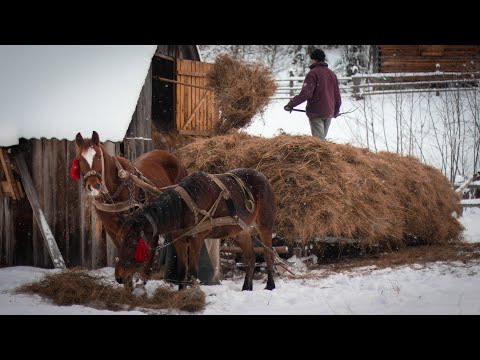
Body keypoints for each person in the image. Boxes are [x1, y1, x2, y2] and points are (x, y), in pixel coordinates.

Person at [284, 48, 342, 140]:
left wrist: (291, 104)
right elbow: (337, 96)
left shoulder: (313, 74)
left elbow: (306, 94)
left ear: (314, 59)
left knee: (319, 144)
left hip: (317, 112)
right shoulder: (332, 74)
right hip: (328, 112)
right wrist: (336, 111)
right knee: (321, 141)